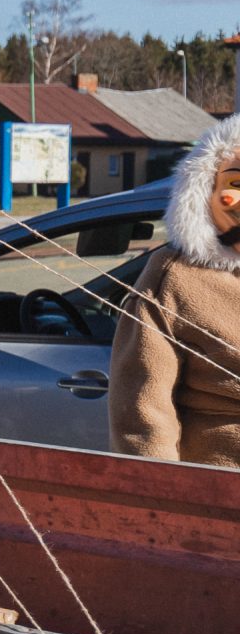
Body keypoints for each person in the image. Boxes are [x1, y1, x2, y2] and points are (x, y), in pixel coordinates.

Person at [112, 116, 240, 467]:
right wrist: (167, 501)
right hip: (220, 494)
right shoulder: (175, 276)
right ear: (202, 192)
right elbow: (143, 416)